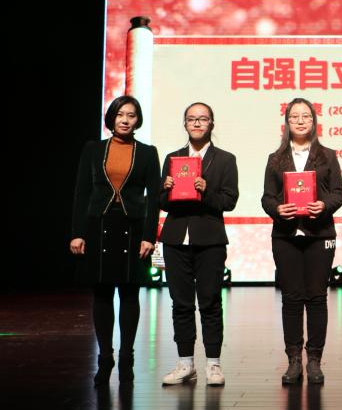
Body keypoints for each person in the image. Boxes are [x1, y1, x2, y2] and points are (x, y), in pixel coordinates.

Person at [70, 95, 160, 386]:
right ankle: (105, 357)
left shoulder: (147, 153)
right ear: (111, 117)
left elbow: (154, 198)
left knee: (130, 293)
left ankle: (126, 358)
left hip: (132, 227)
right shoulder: (93, 149)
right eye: (120, 114)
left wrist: (149, 236)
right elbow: (82, 192)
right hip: (99, 225)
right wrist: (77, 232)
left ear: (138, 120)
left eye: (131, 115)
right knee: (102, 293)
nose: (125, 120)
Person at [262, 97, 342, 384]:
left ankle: (315, 361)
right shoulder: (275, 158)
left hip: (320, 235)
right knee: (291, 298)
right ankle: (294, 360)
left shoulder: (328, 156)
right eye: (294, 116)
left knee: (317, 297)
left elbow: (339, 193)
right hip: (285, 236)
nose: (300, 121)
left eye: (305, 116)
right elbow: (267, 198)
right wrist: (277, 209)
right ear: (287, 122)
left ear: (314, 121)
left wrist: (324, 205)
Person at [159, 102, 239, 386]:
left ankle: (213, 364)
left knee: (210, 301)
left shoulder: (225, 160)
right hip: (175, 238)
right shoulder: (173, 158)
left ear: (211, 124)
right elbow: (161, 202)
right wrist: (166, 190)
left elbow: (229, 201)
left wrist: (206, 191)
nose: (196, 123)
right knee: (180, 303)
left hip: (210, 239)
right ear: (184, 124)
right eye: (191, 119)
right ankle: (185, 363)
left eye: (202, 119)